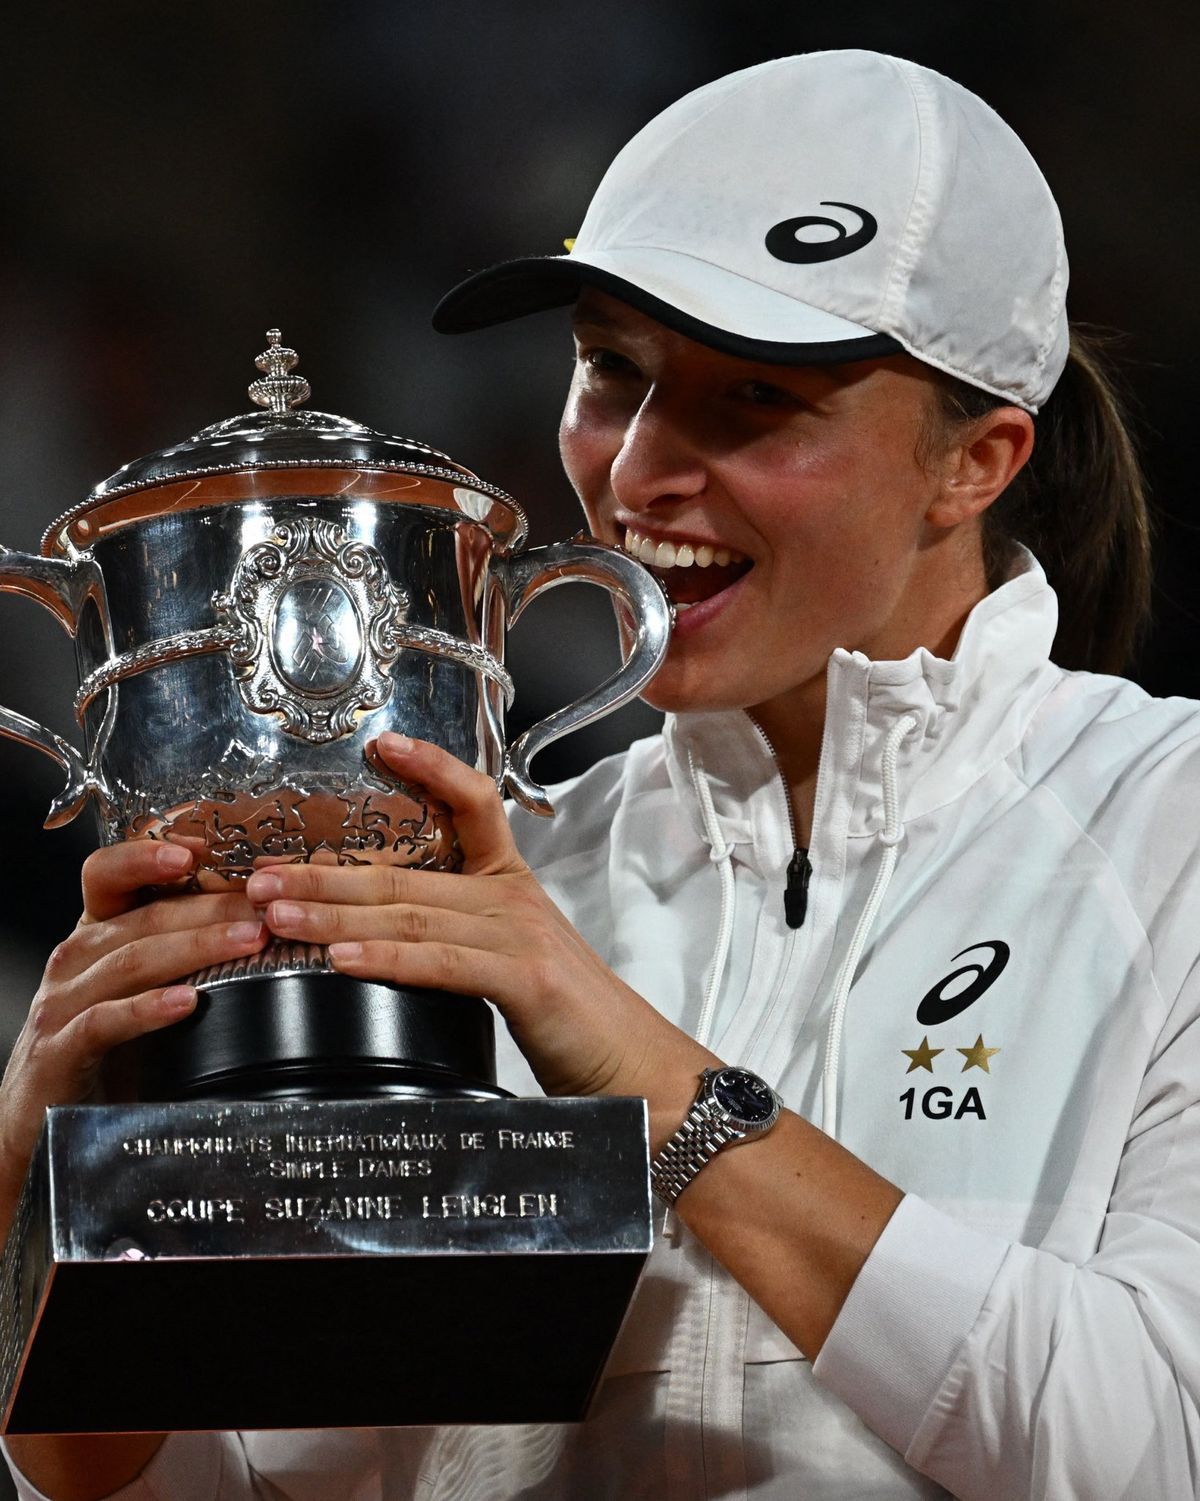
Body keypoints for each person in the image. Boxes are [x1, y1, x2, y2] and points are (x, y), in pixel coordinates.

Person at [2, 46, 1193, 1501]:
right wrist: (52, 1168)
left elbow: (1150, 1445)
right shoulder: (499, 892)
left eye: (753, 400)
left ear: (978, 461)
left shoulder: (1164, 825)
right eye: (613, 371)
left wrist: (640, 1068)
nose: (638, 475)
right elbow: (229, 1479)